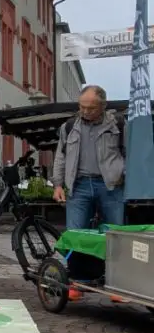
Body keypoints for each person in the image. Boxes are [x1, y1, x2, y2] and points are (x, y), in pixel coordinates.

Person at [52, 85, 126, 231]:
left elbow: (130, 155)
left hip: (111, 187)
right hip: (79, 186)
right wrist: (58, 185)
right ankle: (77, 255)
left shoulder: (118, 125)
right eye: (81, 107)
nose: (85, 111)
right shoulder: (68, 127)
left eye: (91, 108)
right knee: (75, 234)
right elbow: (61, 157)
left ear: (103, 106)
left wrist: (128, 183)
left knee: (115, 235)